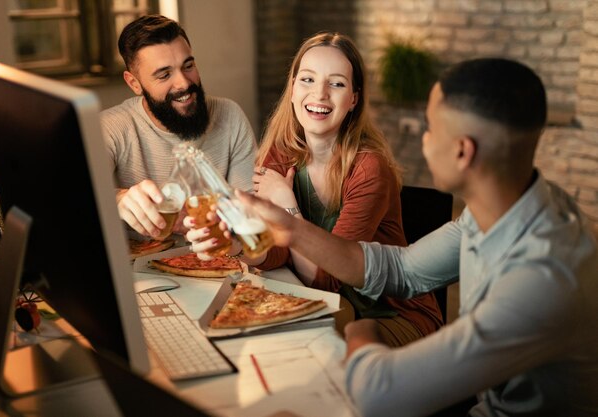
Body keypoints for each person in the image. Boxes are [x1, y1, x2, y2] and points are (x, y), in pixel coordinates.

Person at [230, 58, 598, 416]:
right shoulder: (514, 205)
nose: (423, 140)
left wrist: (361, 329)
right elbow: (401, 269)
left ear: (461, 151)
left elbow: (380, 394)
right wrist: (290, 228)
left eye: (431, 128)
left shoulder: (542, 281)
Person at [186, 31, 442, 345]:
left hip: (391, 315)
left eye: (336, 83)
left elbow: (327, 279)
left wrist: (286, 203)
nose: (319, 94)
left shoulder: (369, 167)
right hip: (331, 306)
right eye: (307, 80)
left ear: (353, 99)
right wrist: (235, 246)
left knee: (283, 342)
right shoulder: (280, 152)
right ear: (292, 89)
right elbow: (274, 251)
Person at [101, 15, 256, 239]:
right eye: (164, 75)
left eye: (188, 66)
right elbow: (69, 195)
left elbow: (250, 217)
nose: (183, 83)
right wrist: (116, 199)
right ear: (134, 83)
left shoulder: (230, 115)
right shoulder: (110, 127)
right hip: (139, 270)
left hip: (222, 260)